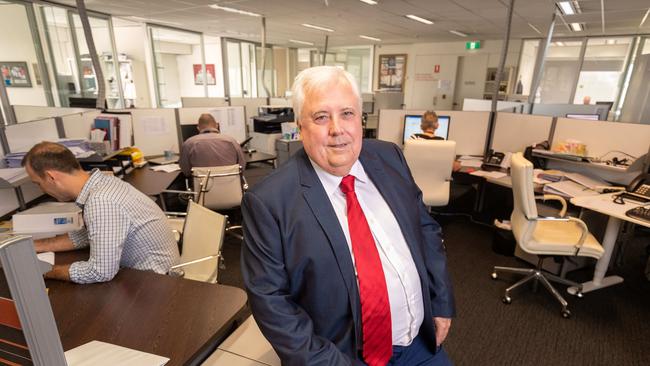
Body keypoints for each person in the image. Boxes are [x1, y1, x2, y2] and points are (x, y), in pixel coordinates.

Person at [241, 66, 455, 365]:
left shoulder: (390, 157)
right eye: (320, 117)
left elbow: (425, 229)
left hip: (420, 342)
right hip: (342, 356)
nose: (337, 129)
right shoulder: (269, 202)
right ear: (300, 126)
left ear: (360, 119)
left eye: (347, 113)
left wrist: (441, 301)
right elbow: (270, 301)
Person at [22, 142, 179, 284]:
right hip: (151, 273)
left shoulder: (101, 200)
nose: (41, 189)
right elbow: (90, 234)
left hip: (156, 283)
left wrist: (44, 270)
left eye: (38, 183)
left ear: (51, 177)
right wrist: (37, 245)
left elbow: (100, 272)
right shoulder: (103, 181)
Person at [178, 113, 246, 177]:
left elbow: (186, 171)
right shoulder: (231, 141)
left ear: (198, 128)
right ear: (217, 125)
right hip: (231, 187)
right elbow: (242, 166)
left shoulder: (189, 143)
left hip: (201, 188)